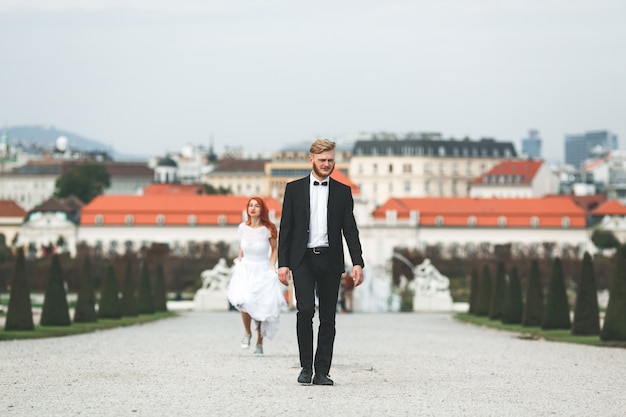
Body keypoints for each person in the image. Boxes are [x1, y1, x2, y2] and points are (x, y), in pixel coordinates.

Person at [278, 138, 364, 386]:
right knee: (305, 311)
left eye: (331, 160)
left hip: (330, 260)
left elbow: (350, 229)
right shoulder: (293, 189)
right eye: (323, 160)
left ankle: (322, 371)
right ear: (311, 160)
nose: (327, 164)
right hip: (302, 259)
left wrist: (357, 262)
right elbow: (286, 229)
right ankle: (306, 367)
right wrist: (283, 263)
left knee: (328, 317)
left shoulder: (342, 191)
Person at [227, 196, 287, 355]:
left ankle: (259, 341)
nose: (253, 208)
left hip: (262, 268)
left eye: (257, 206)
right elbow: (243, 244)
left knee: (261, 306)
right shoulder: (243, 227)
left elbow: (275, 249)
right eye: (250, 205)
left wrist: (272, 265)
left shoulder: (269, 229)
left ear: (262, 210)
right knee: (244, 301)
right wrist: (240, 257)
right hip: (246, 268)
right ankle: (247, 332)